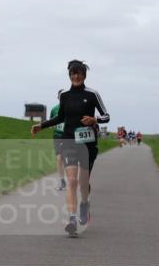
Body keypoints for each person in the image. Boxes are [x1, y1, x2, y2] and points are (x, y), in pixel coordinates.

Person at [30, 60, 109, 236]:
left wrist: (95, 120)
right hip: (68, 141)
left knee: (82, 183)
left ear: (84, 75)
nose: (76, 76)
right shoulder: (65, 95)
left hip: (87, 144)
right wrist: (41, 126)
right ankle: (72, 219)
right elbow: (60, 118)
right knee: (72, 181)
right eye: (73, 73)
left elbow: (106, 116)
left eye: (79, 73)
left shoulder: (92, 94)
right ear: (69, 76)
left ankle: (84, 204)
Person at [50, 89, 67, 191]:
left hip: (68, 136)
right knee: (59, 158)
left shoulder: (71, 108)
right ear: (58, 97)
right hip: (57, 135)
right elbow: (51, 122)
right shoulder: (54, 109)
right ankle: (62, 181)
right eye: (60, 96)